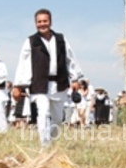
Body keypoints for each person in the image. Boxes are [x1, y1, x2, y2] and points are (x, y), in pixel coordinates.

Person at [13, 8, 84, 146]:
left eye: (45, 21)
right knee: (43, 114)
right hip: (38, 84)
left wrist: (75, 78)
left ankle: (50, 141)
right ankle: (44, 146)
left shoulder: (61, 39)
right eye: (39, 22)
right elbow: (23, 63)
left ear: (50, 22)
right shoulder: (31, 41)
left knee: (57, 119)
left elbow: (70, 59)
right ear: (35, 23)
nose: (42, 24)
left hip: (59, 83)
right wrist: (17, 85)